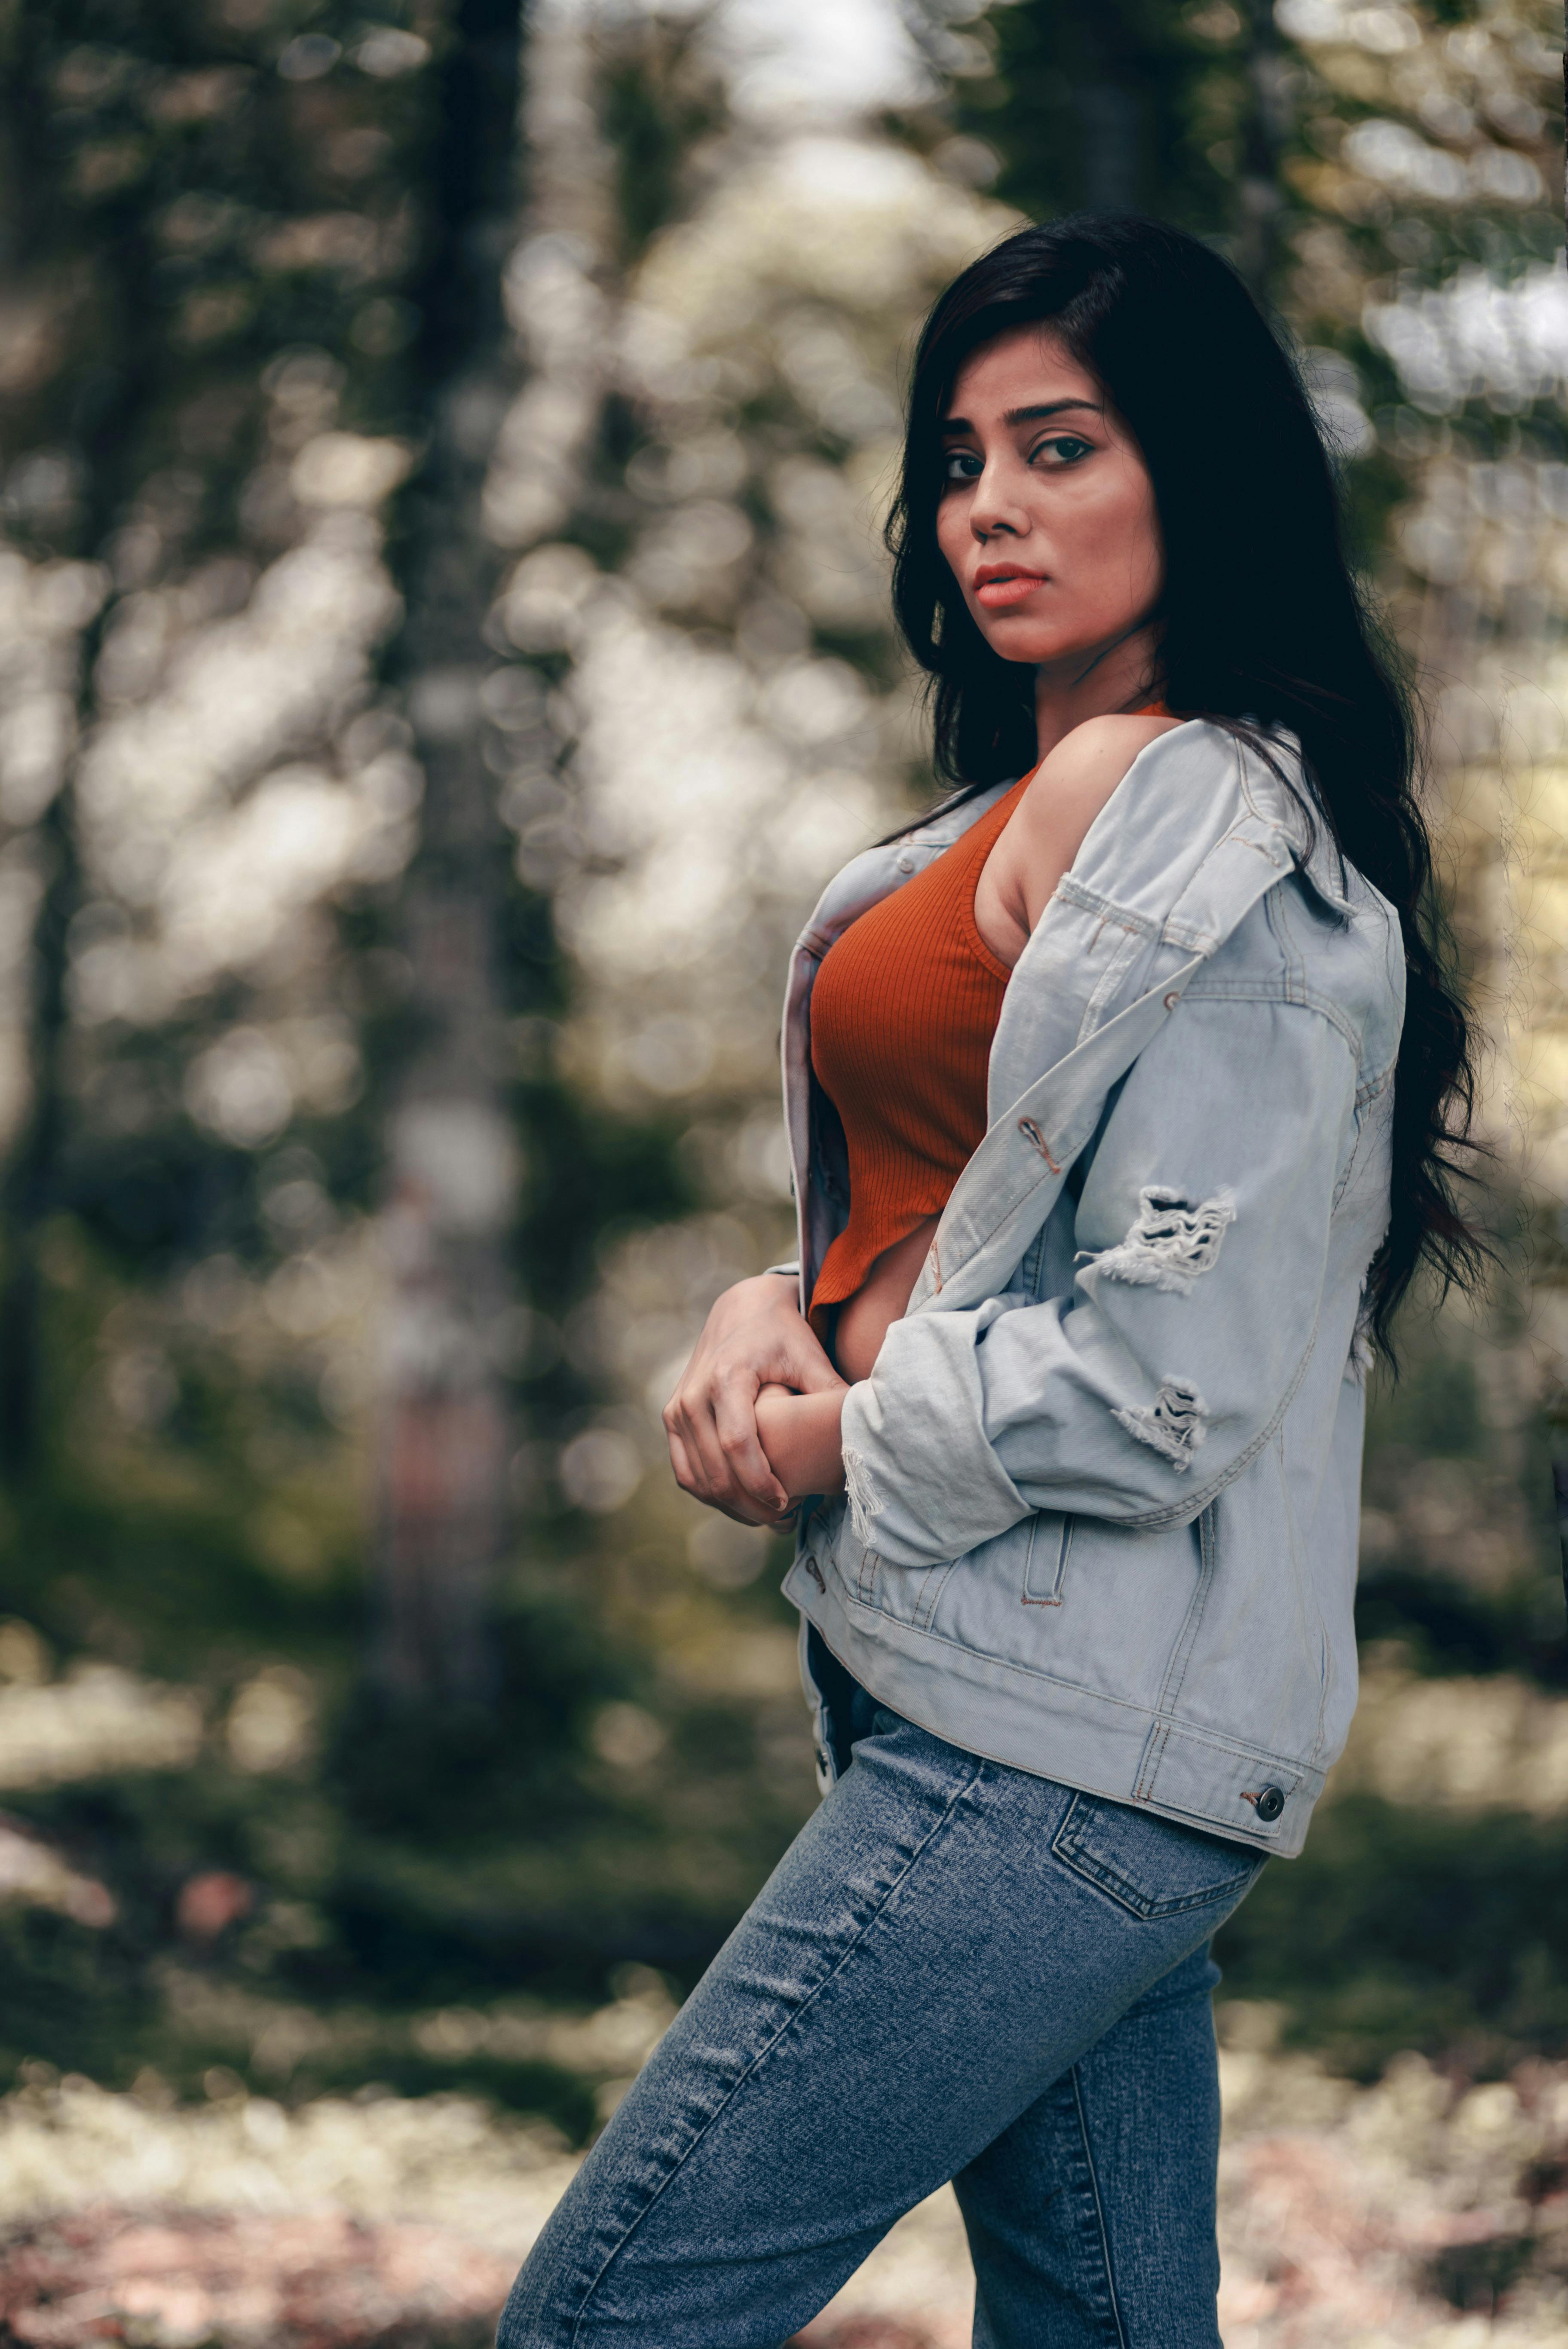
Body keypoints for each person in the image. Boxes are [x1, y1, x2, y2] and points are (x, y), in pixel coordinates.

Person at [500, 214, 1480, 2348]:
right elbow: (948, 1216)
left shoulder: (1224, 837)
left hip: (1061, 1749)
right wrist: (773, 1302)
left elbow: (1168, 1367)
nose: (991, 509)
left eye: (1061, 447)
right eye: (960, 460)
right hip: (979, 1695)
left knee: (610, 2316)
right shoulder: (999, 823)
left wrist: (837, 1429)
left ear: (1197, 476)